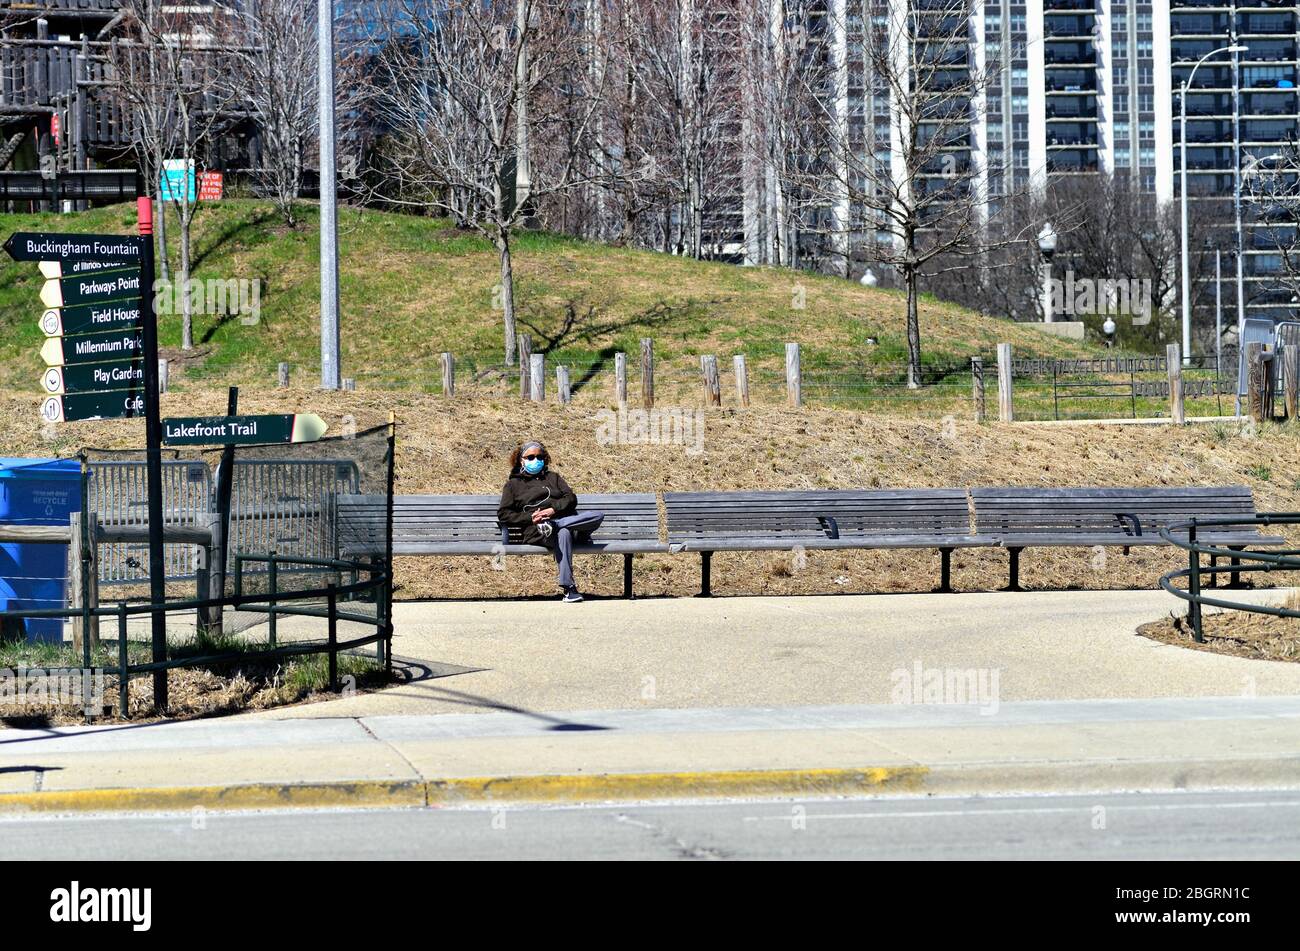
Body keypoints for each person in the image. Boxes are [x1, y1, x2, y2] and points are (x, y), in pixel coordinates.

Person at [497, 440, 604, 602]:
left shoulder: (553, 478)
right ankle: (569, 588)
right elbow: (504, 514)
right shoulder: (513, 485)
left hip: (563, 521)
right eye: (531, 457)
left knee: (597, 515)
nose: (536, 460)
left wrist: (553, 510)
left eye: (539, 457)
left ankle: (556, 524)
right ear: (521, 460)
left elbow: (571, 498)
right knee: (564, 533)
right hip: (537, 530)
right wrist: (530, 517)